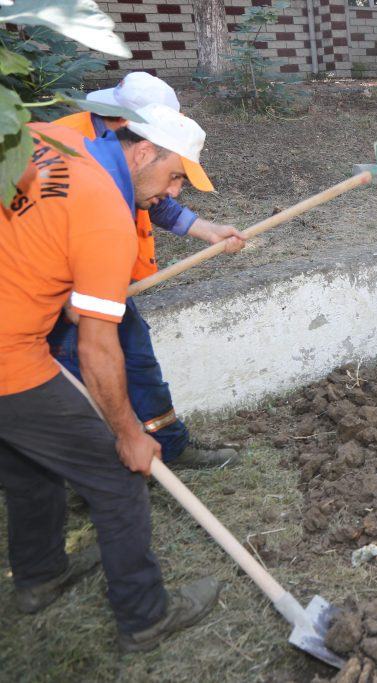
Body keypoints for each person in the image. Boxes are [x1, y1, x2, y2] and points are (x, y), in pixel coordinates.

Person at [0, 117, 221, 652]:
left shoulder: (46, 136)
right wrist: (128, 433)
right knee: (118, 479)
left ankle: (40, 576)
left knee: (28, 464)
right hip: (10, 361)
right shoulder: (106, 217)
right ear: (144, 151)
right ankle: (145, 618)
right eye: (173, 177)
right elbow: (99, 347)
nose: (171, 193)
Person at [51, 72, 246, 469]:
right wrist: (70, 295)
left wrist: (207, 231)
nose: (175, 188)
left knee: (137, 358)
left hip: (105, 282)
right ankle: (105, 469)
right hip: (60, 291)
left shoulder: (133, 158)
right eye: (175, 176)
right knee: (81, 379)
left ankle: (170, 446)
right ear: (137, 135)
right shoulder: (71, 151)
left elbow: (154, 196)